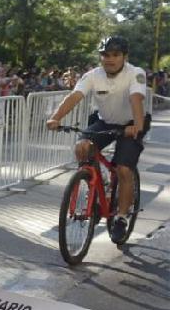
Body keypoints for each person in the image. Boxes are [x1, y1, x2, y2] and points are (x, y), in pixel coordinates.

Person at [46, 36, 150, 243]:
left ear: (124, 57)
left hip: (131, 123)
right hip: (105, 121)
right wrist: (56, 118)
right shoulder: (93, 75)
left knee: (123, 169)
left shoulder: (135, 73)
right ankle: (96, 183)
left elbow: (136, 99)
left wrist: (137, 125)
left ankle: (120, 217)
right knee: (82, 147)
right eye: (105, 55)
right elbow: (75, 96)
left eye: (115, 55)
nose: (109, 59)